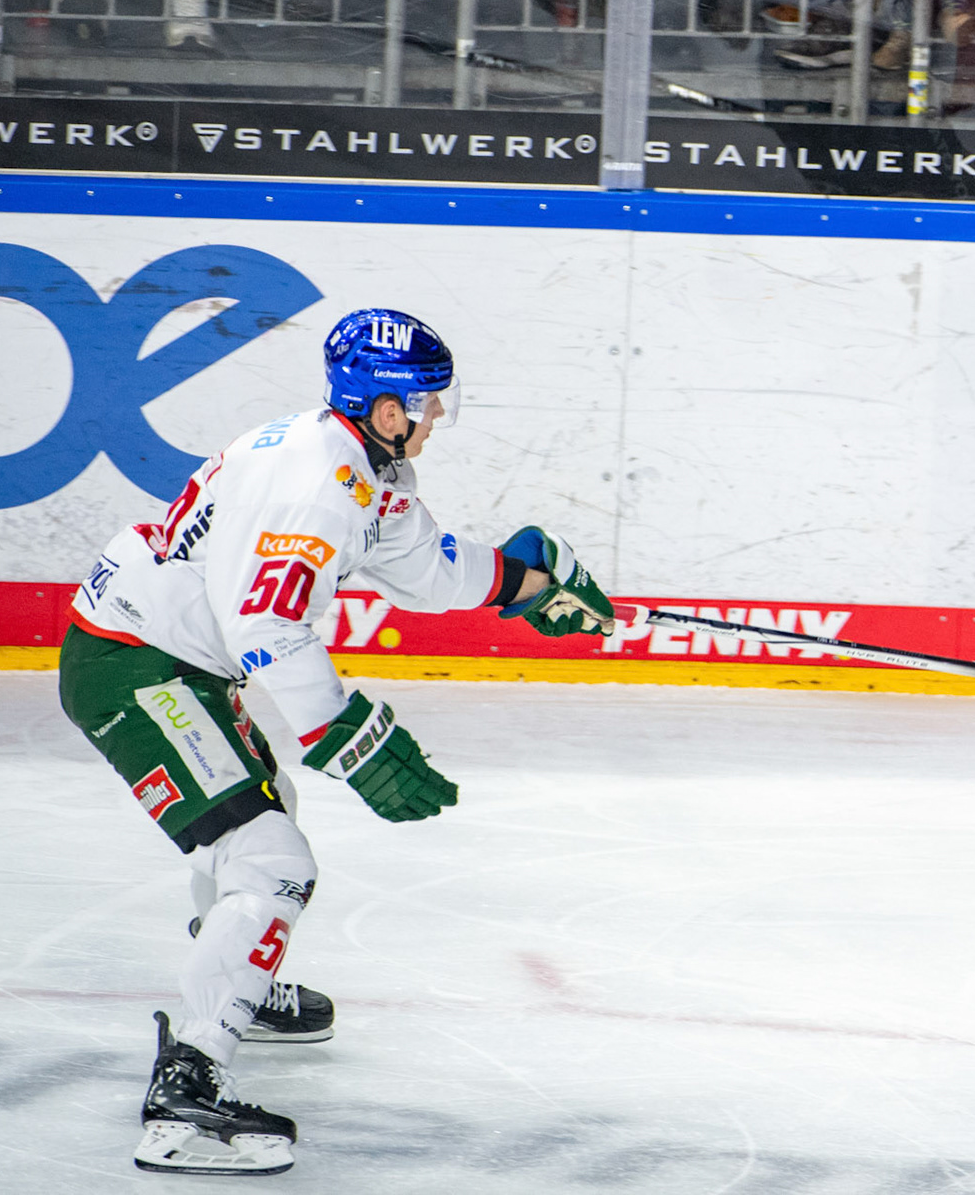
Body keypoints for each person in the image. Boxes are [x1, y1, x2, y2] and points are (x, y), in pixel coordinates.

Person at [58, 308, 617, 1175]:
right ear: (386, 407)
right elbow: (266, 624)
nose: (437, 418)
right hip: (135, 664)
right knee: (273, 855)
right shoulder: (316, 484)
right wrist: (349, 737)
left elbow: (426, 570)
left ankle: (236, 983)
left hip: (171, 659)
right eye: (427, 403)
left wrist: (527, 579)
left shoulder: (362, 466)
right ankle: (186, 1092)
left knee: (261, 809)